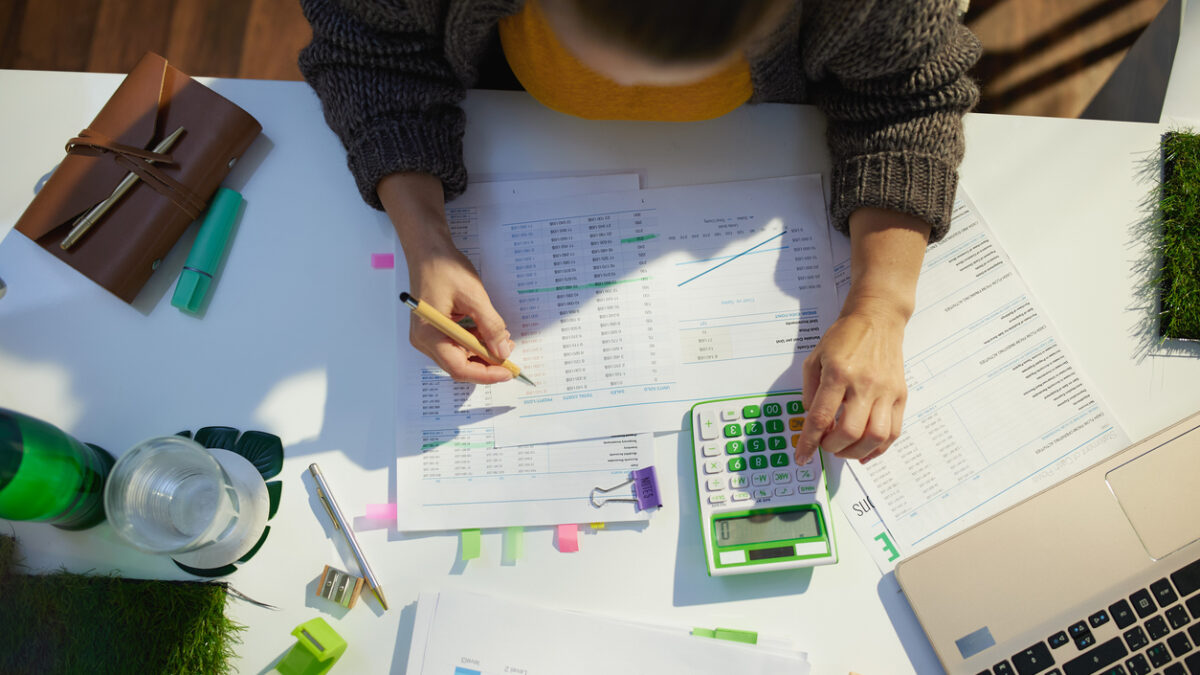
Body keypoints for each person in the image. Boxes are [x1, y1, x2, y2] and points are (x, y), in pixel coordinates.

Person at [298, 0, 980, 466]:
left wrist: (883, 304)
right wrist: (425, 237)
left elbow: (904, 98)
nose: (623, 85)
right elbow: (372, 54)